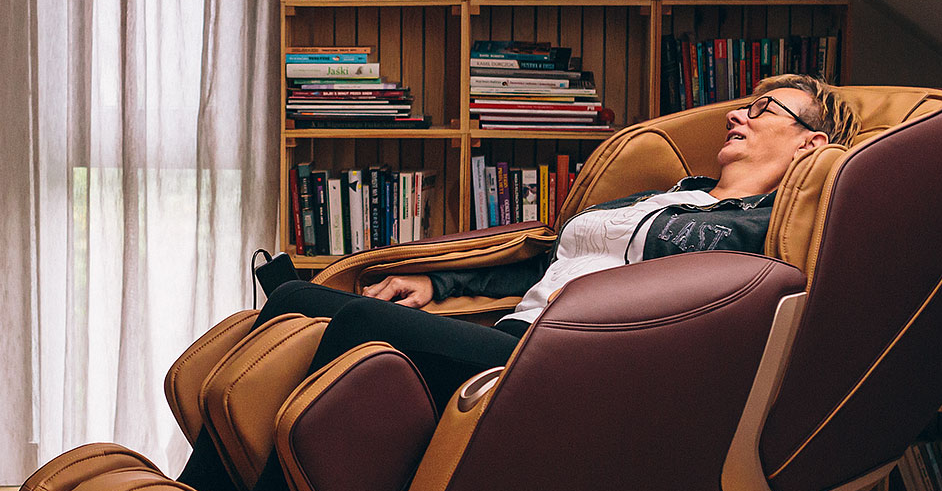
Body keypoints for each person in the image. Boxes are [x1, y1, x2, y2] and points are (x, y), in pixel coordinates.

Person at [252, 75, 858, 410]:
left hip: (564, 367)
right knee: (296, 313)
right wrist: (439, 281)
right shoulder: (673, 194)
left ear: (810, 142)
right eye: (744, 105)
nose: (738, 116)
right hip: (510, 336)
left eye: (764, 109)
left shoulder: (761, 227)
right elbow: (555, 262)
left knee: (351, 321)